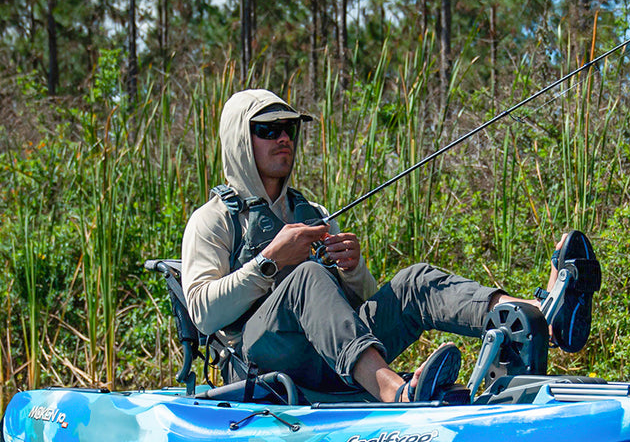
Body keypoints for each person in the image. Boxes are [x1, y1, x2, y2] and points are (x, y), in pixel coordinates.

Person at [181, 88, 600, 403]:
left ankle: (533, 316)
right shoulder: (213, 220)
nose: (283, 138)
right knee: (307, 274)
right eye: (267, 130)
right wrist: (269, 262)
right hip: (264, 362)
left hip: (333, 359)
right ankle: (394, 392)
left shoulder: (313, 211)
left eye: (288, 129)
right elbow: (202, 314)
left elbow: (357, 307)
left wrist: (353, 271)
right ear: (239, 140)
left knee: (415, 281)